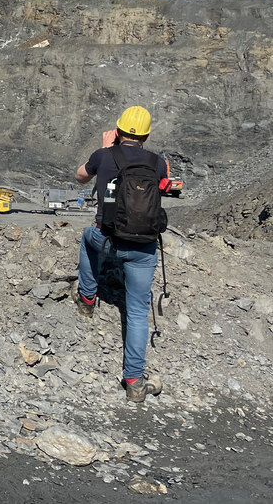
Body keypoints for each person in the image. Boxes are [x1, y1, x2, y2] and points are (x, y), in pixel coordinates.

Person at [74, 105, 167, 402]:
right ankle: (135, 382)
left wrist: (105, 152)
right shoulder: (158, 162)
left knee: (88, 240)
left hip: (107, 239)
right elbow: (165, 187)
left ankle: (87, 298)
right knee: (138, 312)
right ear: (147, 135)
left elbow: (80, 177)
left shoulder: (104, 156)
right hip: (143, 247)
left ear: (118, 130)